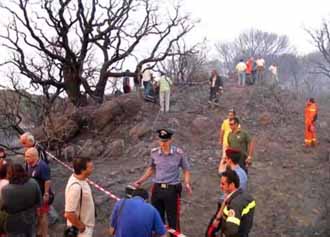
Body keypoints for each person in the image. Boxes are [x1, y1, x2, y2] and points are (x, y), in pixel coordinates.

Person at [133, 129, 192, 234]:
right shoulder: (154, 153)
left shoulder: (179, 153)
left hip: (172, 189)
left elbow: (186, 169)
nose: (163, 143)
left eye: (165, 141)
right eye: (161, 141)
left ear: (170, 140)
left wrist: (187, 183)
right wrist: (140, 181)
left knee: (173, 218)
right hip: (157, 188)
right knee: (156, 217)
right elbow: (151, 169)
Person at [211, 169, 256, 237]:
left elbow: (231, 230)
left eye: (223, 184)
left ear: (232, 185)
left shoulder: (234, 204)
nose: (220, 186)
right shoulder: (244, 196)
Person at [1, 163, 42, 237]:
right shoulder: (33, 182)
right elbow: (39, 201)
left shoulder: (5, 190)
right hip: (30, 218)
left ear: (9, 174)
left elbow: (2, 207)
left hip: (13, 223)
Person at [65, 157, 95, 237]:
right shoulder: (75, 187)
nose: (93, 169)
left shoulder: (82, 179)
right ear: (82, 170)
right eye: (90, 167)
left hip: (85, 227)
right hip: (81, 231)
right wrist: (81, 227)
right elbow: (69, 213)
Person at [25, 147, 51, 237]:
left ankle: (45, 234)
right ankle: (39, 232)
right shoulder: (29, 165)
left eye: (27, 156)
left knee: (43, 215)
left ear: (34, 156)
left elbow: (47, 181)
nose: (26, 158)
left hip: (42, 194)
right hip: (34, 195)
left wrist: (46, 194)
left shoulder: (43, 166)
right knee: (38, 214)